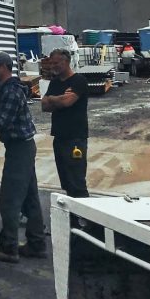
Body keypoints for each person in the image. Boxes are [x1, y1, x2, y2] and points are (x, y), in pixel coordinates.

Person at [0, 52, 47, 263]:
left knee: (10, 200)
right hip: (23, 147)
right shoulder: (11, 89)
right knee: (30, 199)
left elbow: (2, 121)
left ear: (4, 67)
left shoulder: (11, 91)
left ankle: (8, 248)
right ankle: (36, 244)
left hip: (19, 150)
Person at [41, 48, 89, 198]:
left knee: (77, 181)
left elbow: (67, 102)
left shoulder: (79, 81)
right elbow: (44, 106)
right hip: (59, 138)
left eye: (56, 63)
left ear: (66, 62)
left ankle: (84, 218)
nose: (53, 66)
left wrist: (53, 99)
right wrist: (58, 99)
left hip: (75, 138)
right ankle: (71, 216)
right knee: (66, 181)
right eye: (51, 63)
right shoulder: (55, 82)